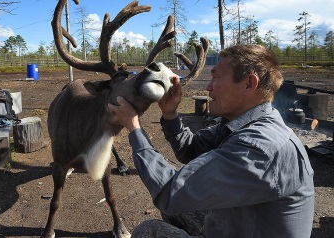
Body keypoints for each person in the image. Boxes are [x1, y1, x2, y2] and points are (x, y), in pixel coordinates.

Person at [108, 44, 315, 238]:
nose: (208, 87)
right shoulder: (241, 125)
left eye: (215, 77)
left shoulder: (260, 147)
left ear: (249, 84)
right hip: (239, 224)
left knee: (149, 230)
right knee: (176, 213)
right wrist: (170, 114)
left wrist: (134, 127)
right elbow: (190, 150)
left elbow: (170, 192)